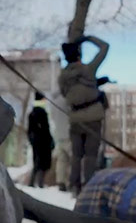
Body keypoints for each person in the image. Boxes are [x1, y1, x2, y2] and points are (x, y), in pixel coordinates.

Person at [59, 35, 111, 196]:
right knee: (90, 155)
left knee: (76, 155)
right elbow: (105, 46)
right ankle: (88, 186)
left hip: (75, 119)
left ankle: (74, 186)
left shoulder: (62, 77)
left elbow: (65, 94)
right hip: (93, 118)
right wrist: (87, 38)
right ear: (79, 55)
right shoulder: (89, 70)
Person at [26, 92, 53, 188]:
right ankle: (39, 182)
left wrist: (31, 139)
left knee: (36, 161)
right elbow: (46, 128)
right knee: (42, 162)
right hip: (43, 141)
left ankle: (33, 182)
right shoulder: (42, 113)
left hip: (35, 141)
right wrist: (50, 140)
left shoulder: (31, 113)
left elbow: (29, 130)